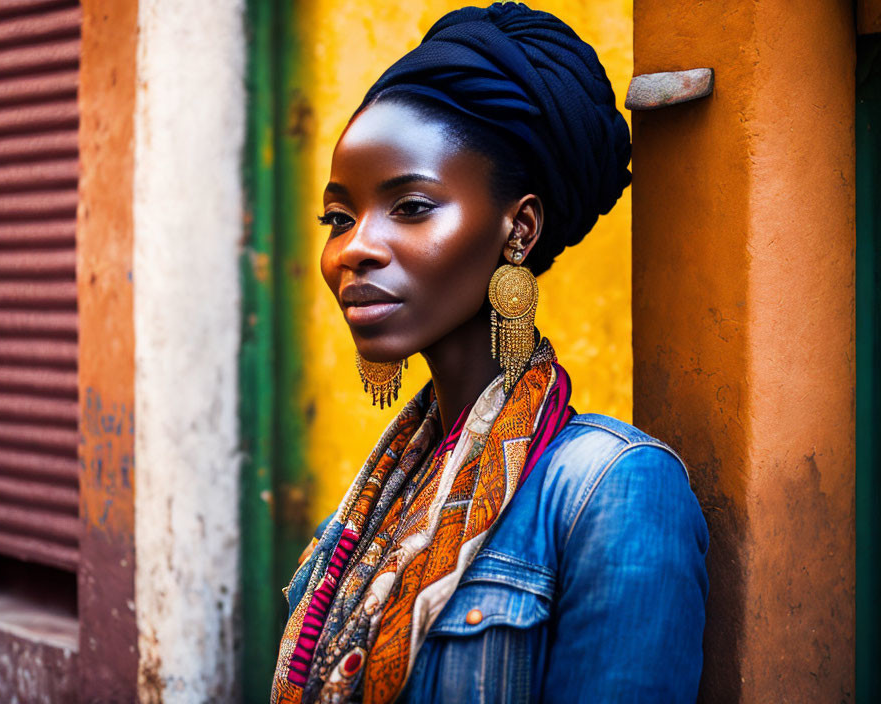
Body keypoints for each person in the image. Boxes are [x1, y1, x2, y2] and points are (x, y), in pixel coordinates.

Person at [271, 3, 708, 702]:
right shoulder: (381, 498)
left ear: (520, 230)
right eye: (339, 218)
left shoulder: (613, 491)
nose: (354, 248)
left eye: (410, 206)